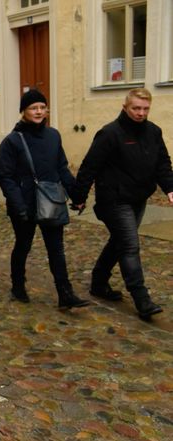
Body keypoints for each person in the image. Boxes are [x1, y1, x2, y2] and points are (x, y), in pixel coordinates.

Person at [71, 88, 173, 321]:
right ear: (125, 107)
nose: (140, 113)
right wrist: (79, 196)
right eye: (136, 108)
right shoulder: (110, 133)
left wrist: (169, 187)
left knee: (120, 241)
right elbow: (89, 166)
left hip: (138, 198)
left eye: (145, 109)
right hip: (114, 200)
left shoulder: (154, 132)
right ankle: (142, 299)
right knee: (129, 245)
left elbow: (162, 163)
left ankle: (98, 282)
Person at [0, 88, 89, 310]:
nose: (38, 111)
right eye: (33, 108)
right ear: (23, 111)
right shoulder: (11, 142)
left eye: (42, 107)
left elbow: (62, 168)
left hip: (50, 202)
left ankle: (65, 294)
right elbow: (6, 178)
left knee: (56, 249)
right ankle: (18, 286)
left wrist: (76, 195)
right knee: (23, 245)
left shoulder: (53, 136)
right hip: (24, 205)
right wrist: (18, 205)